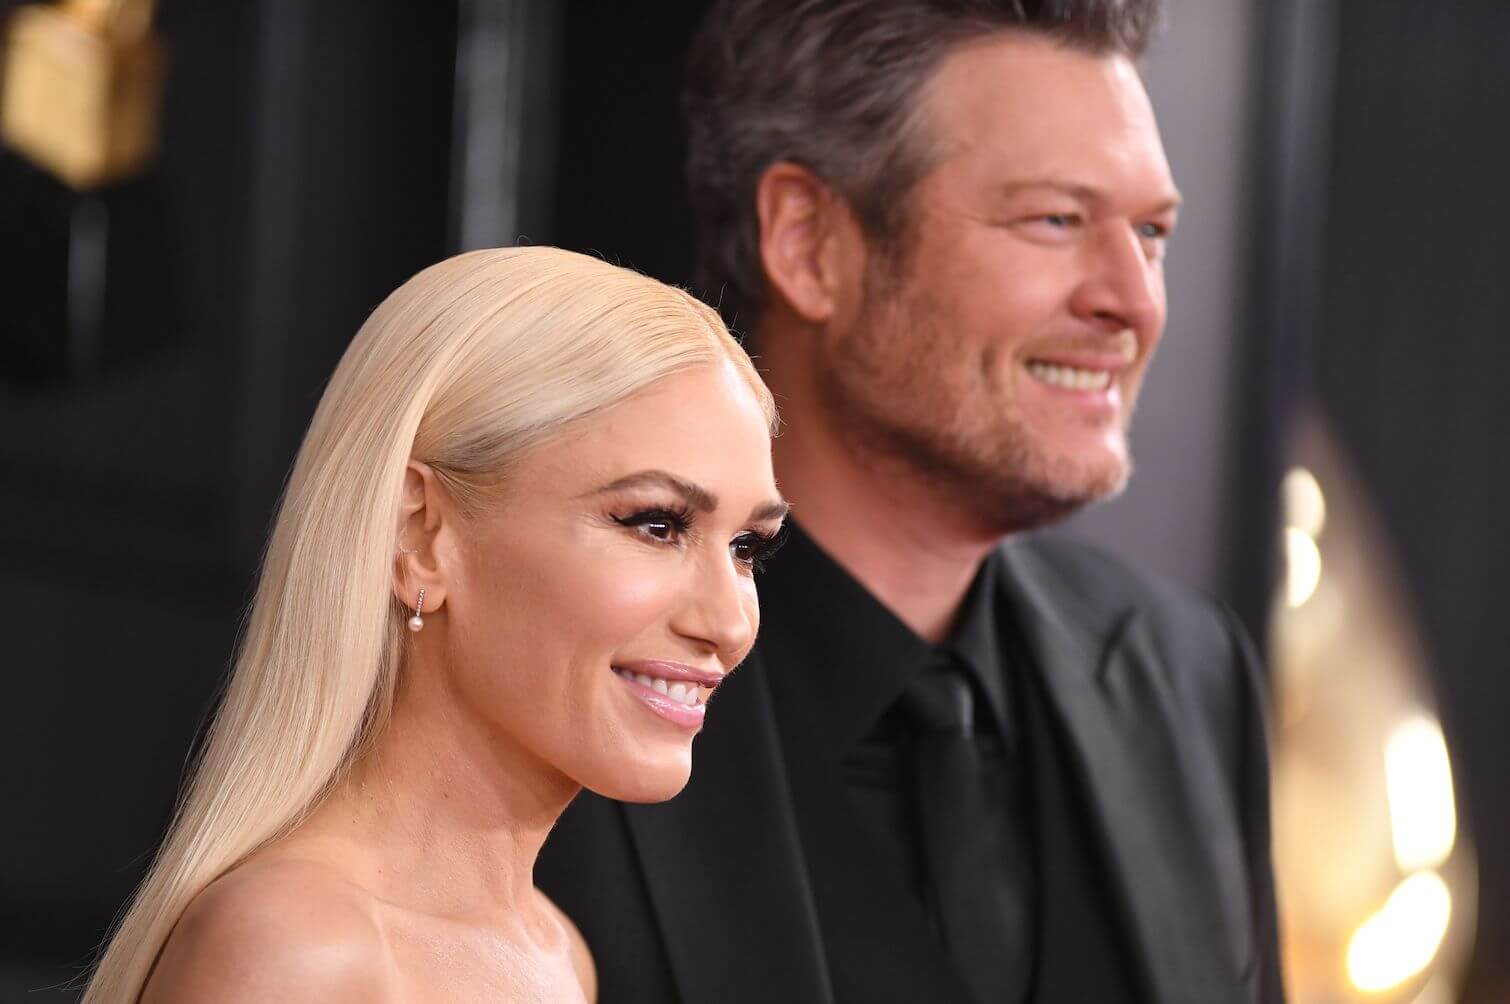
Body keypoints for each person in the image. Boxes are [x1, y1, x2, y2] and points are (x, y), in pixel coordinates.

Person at [536, 1, 1284, 1002]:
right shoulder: (542, 687)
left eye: (1149, 232)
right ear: (808, 243)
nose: (1132, 299)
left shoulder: (1188, 672)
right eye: (1055, 220)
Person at [83, 246, 788, 1002]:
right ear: (419, 535)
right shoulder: (297, 949)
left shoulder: (554, 954)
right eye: (655, 524)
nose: (728, 623)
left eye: (747, 547)